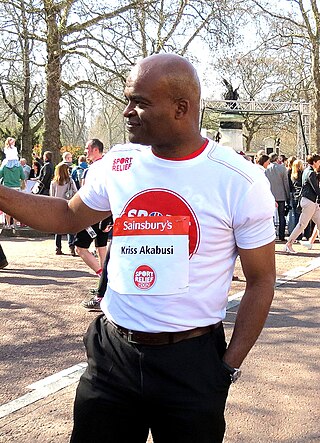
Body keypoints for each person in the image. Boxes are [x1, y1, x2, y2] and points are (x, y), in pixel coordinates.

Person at [0, 53, 276, 443]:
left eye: (140, 102)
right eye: (128, 99)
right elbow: (65, 216)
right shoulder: (119, 163)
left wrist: (226, 368)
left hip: (191, 362)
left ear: (182, 108)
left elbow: (261, 281)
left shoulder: (238, 180)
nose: (127, 111)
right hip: (112, 356)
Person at [73, 139, 110, 277]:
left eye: (87, 148)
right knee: (101, 247)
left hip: (93, 213)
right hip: (103, 214)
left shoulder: (98, 167)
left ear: (95, 149)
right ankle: (105, 282)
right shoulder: (102, 166)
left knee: (81, 248)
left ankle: (102, 276)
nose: (85, 151)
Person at [285, 153, 320, 253]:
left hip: (310, 201)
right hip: (309, 201)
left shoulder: (307, 171)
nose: (319, 163)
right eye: (318, 162)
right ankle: (289, 244)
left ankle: (289, 243)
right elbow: (316, 189)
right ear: (314, 162)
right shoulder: (310, 173)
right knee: (301, 225)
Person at [50, 162, 78, 255]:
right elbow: (75, 192)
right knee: (70, 227)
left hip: (57, 206)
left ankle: (58, 247)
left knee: (58, 228)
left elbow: (52, 196)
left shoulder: (54, 182)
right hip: (68, 205)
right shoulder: (70, 181)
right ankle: (72, 246)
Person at [265, 152, 290, 241]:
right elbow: (285, 183)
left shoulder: (266, 169)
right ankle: (281, 235)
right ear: (277, 159)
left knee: (270, 216)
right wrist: (287, 196)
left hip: (270, 195)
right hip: (281, 195)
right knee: (281, 216)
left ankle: (270, 236)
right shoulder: (282, 168)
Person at [0, 155, 25, 228]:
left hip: (7, 188)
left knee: (7, 207)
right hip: (16, 189)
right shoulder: (19, 167)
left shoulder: (4, 167)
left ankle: (8, 224)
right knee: (15, 207)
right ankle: (14, 224)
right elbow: (23, 177)